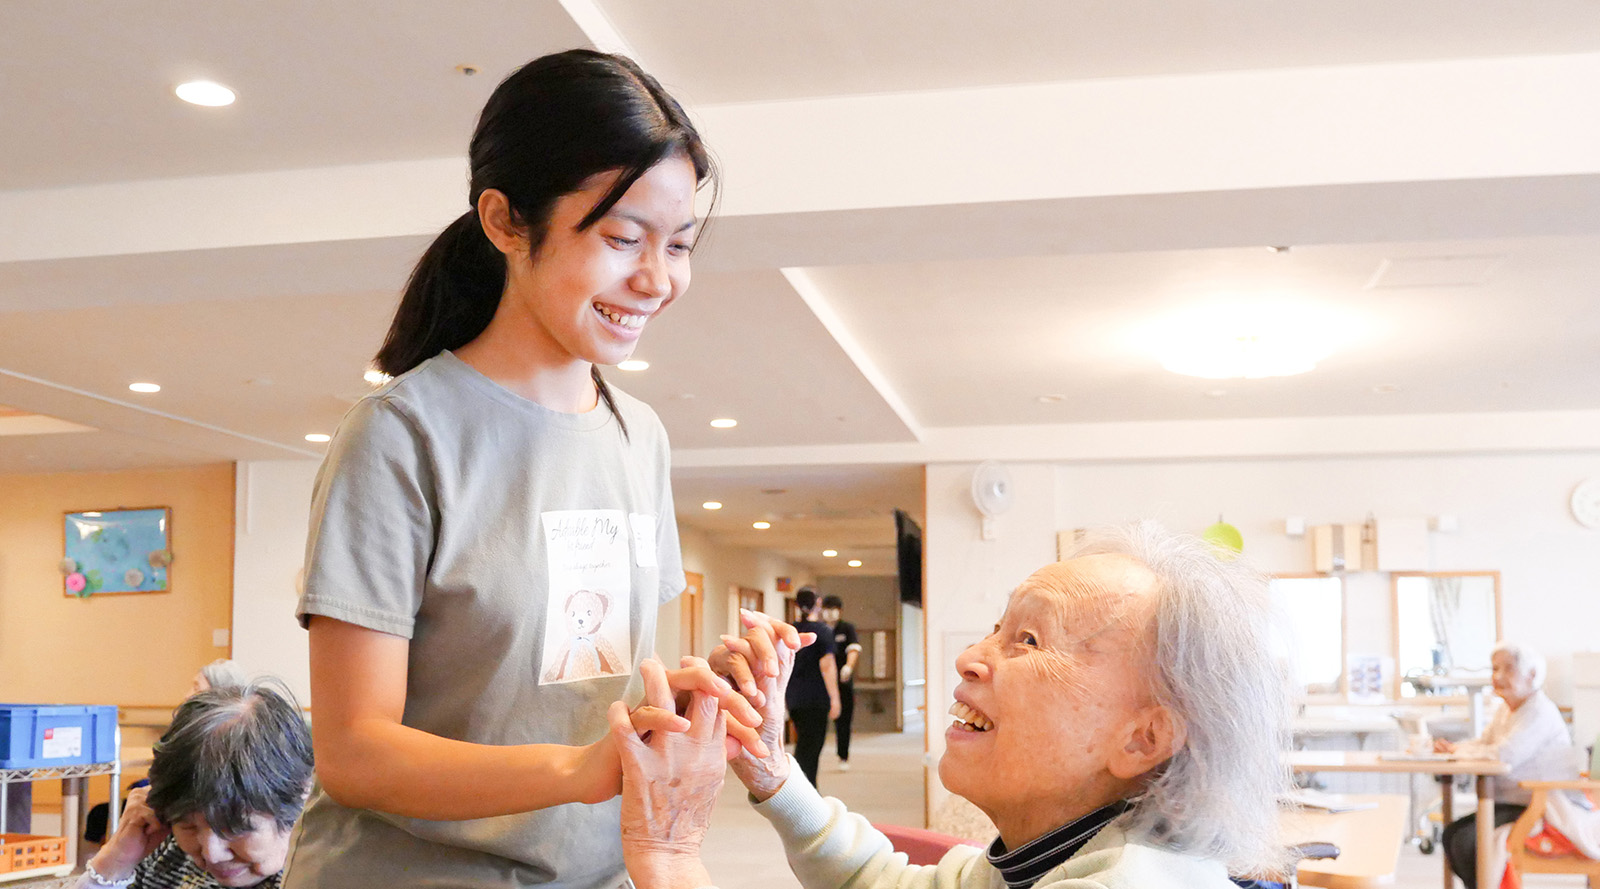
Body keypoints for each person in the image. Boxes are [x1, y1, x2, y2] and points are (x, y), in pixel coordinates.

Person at [285, 49, 759, 889]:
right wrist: (580, 769)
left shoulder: (637, 435)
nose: (657, 279)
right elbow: (355, 752)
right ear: (505, 222)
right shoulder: (402, 436)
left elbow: (585, 676)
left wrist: (696, 692)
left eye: (678, 244)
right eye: (622, 238)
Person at [626, 521, 1295, 889]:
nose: (971, 656)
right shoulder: (1062, 851)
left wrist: (669, 852)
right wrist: (772, 768)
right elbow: (884, 882)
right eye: (997, 627)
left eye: (1028, 639)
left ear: (1143, 739)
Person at [77, 681, 313, 889]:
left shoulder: (324, 872)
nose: (212, 854)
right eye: (188, 827)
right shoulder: (165, 849)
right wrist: (113, 864)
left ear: (300, 796)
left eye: (234, 828)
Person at [1433, 642, 1574, 889]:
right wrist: (1456, 748)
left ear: (1532, 675)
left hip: (1539, 806)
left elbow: (1504, 755)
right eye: (1495, 668)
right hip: (1508, 802)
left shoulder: (1539, 712)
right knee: (1451, 834)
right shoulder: (1506, 710)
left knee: (1468, 841)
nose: (1497, 677)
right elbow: (1483, 744)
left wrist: (1458, 750)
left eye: (1508, 669)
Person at [787, 586, 840, 789]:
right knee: (813, 745)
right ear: (818, 603)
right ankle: (806, 787)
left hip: (794, 696)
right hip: (817, 697)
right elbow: (827, 666)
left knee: (803, 743)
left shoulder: (790, 630)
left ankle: (803, 786)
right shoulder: (822, 631)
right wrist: (834, 697)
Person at [821, 594, 862, 771]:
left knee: (844, 720)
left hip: (843, 681)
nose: (830, 613)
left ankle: (843, 756)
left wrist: (848, 667)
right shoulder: (819, 629)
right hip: (821, 682)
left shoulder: (846, 628)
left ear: (840, 611)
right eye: (827, 609)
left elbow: (853, 649)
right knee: (818, 720)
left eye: (833, 610)